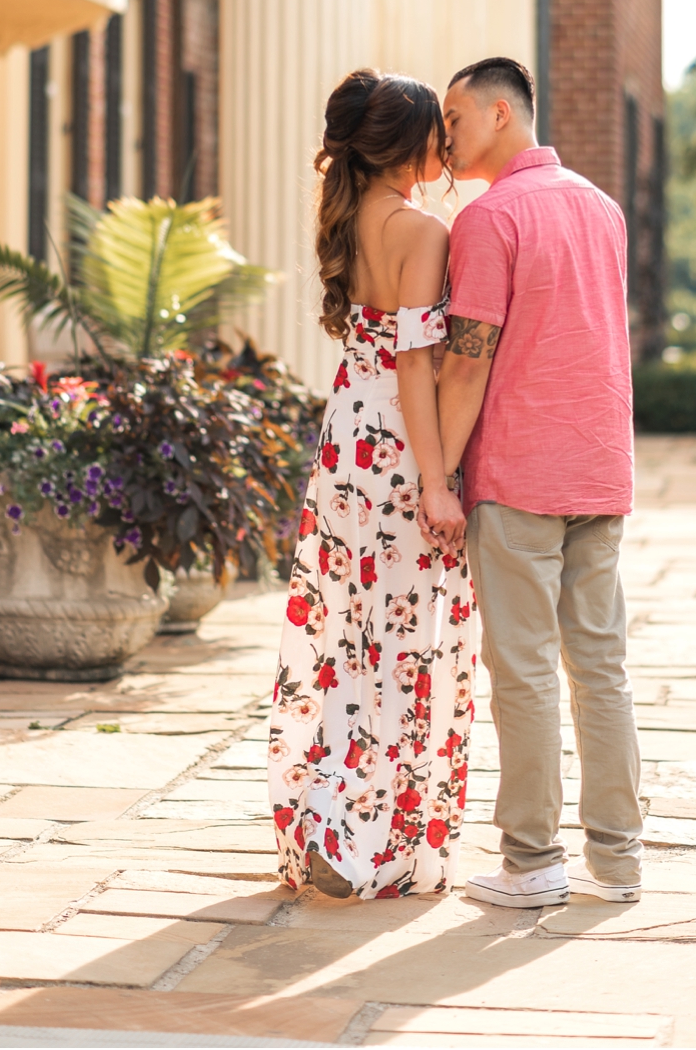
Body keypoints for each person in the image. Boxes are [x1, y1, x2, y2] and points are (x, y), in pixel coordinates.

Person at [435, 56, 642, 909]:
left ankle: (531, 862)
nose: (444, 133)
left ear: (496, 113)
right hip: (600, 467)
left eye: (453, 116)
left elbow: (467, 361)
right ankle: (620, 861)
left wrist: (439, 470)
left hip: (519, 473)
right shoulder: (602, 206)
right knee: (602, 666)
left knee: (521, 669)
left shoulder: (490, 219)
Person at [270, 69, 474, 900]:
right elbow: (417, 362)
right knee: (402, 644)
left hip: (343, 443)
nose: (447, 144)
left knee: (345, 636)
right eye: (438, 130)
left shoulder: (349, 217)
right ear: (409, 145)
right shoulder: (421, 230)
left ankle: (328, 814)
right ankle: (367, 837)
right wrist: (437, 480)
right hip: (397, 446)